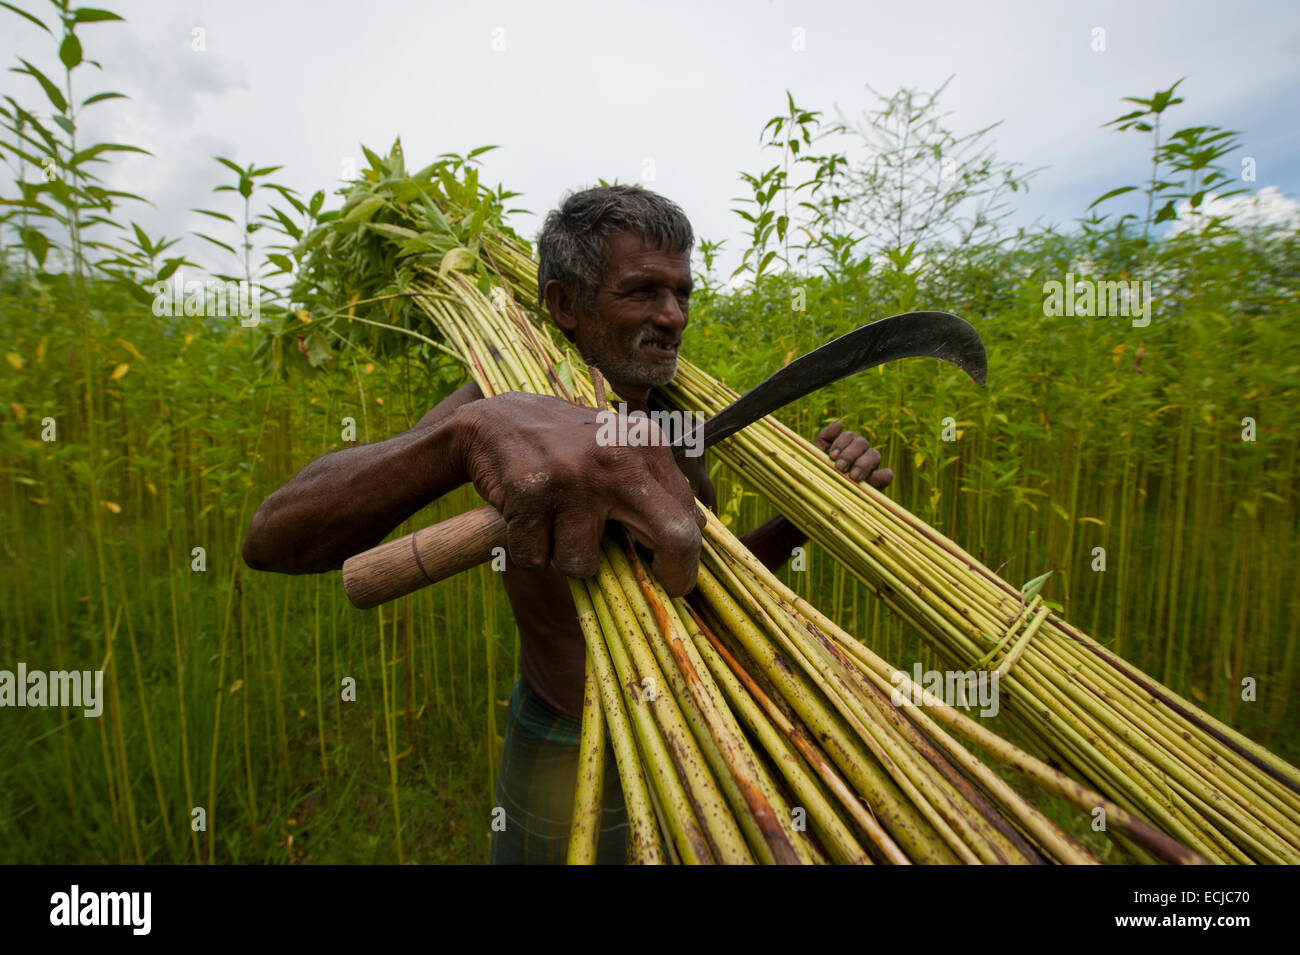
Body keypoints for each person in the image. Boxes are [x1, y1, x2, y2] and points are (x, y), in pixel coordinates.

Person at [241, 184, 893, 864]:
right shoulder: (507, 408)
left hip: (699, 719)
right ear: (564, 305)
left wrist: (798, 520)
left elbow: (698, 592)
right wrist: (467, 431)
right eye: (642, 291)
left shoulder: (678, 424)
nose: (672, 316)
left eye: (682, 293)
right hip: (568, 736)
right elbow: (272, 536)